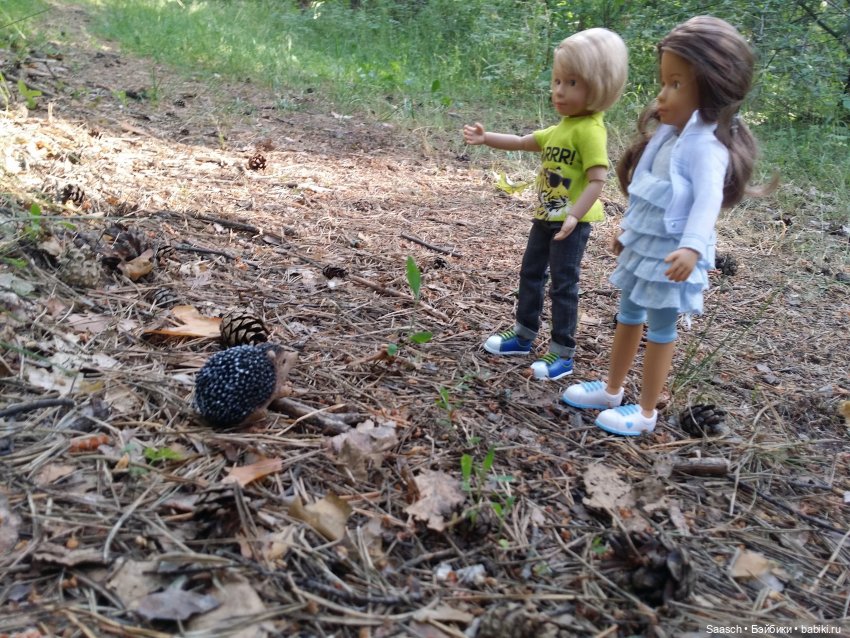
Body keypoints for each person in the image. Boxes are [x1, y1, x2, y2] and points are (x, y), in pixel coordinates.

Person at [563, 16, 772, 435]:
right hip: (648, 248)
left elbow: (707, 200)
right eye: (664, 82)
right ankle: (611, 390)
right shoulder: (669, 137)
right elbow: (649, 196)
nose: (662, 95)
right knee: (628, 314)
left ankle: (644, 412)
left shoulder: (706, 147)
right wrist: (628, 237)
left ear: (712, 86)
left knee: (659, 327)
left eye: (675, 84)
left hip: (674, 253)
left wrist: (693, 247)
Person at [463, 28, 628, 381]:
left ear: (599, 87)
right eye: (556, 81)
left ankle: (562, 353)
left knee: (563, 284)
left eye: (571, 82)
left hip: (571, 221)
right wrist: (485, 138)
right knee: (531, 273)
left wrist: (574, 215)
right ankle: (524, 334)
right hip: (546, 215)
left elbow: (598, 179)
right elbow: (524, 142)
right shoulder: (562, 127)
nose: (558, 90)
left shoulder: (590, 130)